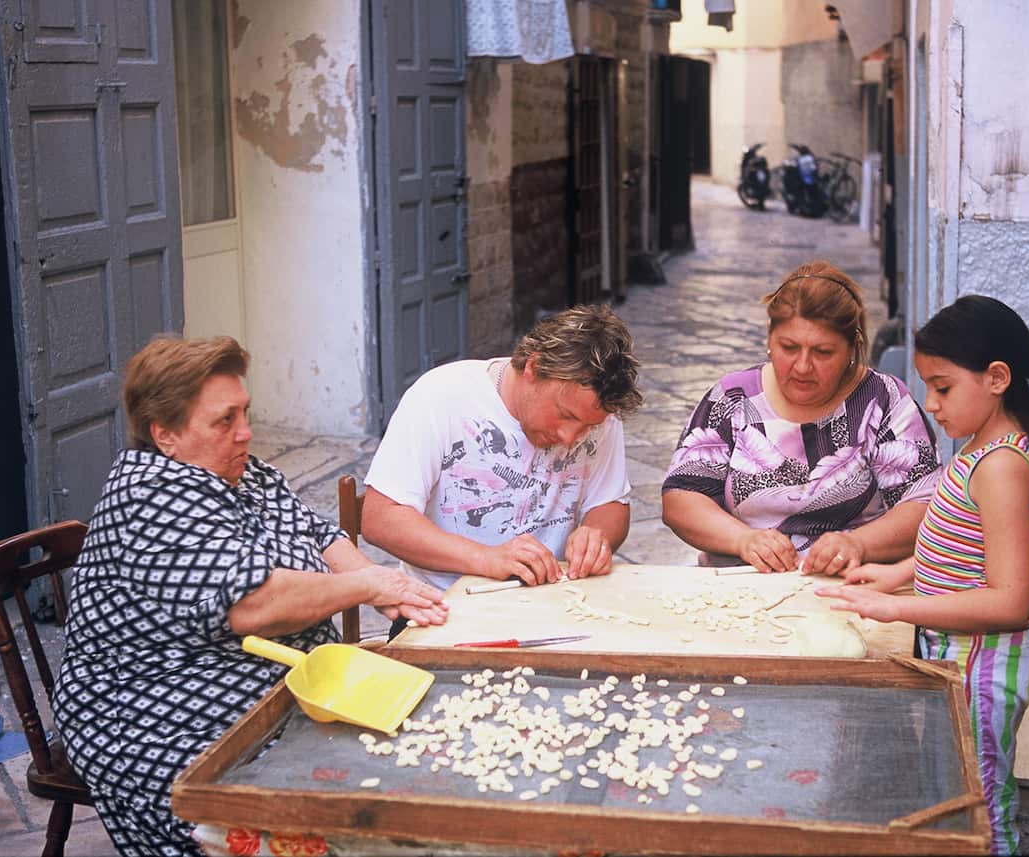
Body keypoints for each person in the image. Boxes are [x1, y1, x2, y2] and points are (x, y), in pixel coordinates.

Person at [53, 335, 448, 856]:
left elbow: (319, 536)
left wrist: (388, 592)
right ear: (165, 434)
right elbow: (254, 604)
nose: (247, 432)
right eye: (225, 421)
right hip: (160, 715)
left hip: (267, 689)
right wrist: (368, 584)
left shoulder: (245, 473)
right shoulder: (148, 498)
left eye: (246, 412)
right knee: (319, 828)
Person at [816, 295, 1029, 855]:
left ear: (997, 377)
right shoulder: (979, 448)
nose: (931, 403)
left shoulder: (1002, 465)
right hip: (959, 656)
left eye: (943, 387)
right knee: (956, 779)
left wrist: (898, 607)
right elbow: (960, 546)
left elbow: (1008, 599)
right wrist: (894, 575)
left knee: (978, 800)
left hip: (983, 662)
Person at [661, 260, 941, 574]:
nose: (803, 366)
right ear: (770, 336)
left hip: (854, 584)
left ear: (852, 348)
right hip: (741, 582)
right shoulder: (732, 399)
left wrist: (858, 544)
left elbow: (923, 506)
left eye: (823, 352)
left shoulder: (884, 400)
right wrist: (744, 540)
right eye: (789, 347)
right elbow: (682, 498)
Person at [362, 304, 643, 606]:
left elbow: (610, 503)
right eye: (564, 415)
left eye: (588, 426)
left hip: (556, 601)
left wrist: (596, 534)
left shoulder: (597, 412)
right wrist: (485, 558)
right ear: (533, 368)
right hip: (442, 608)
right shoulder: (440, 396)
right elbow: (381, 519)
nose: (570, 437)